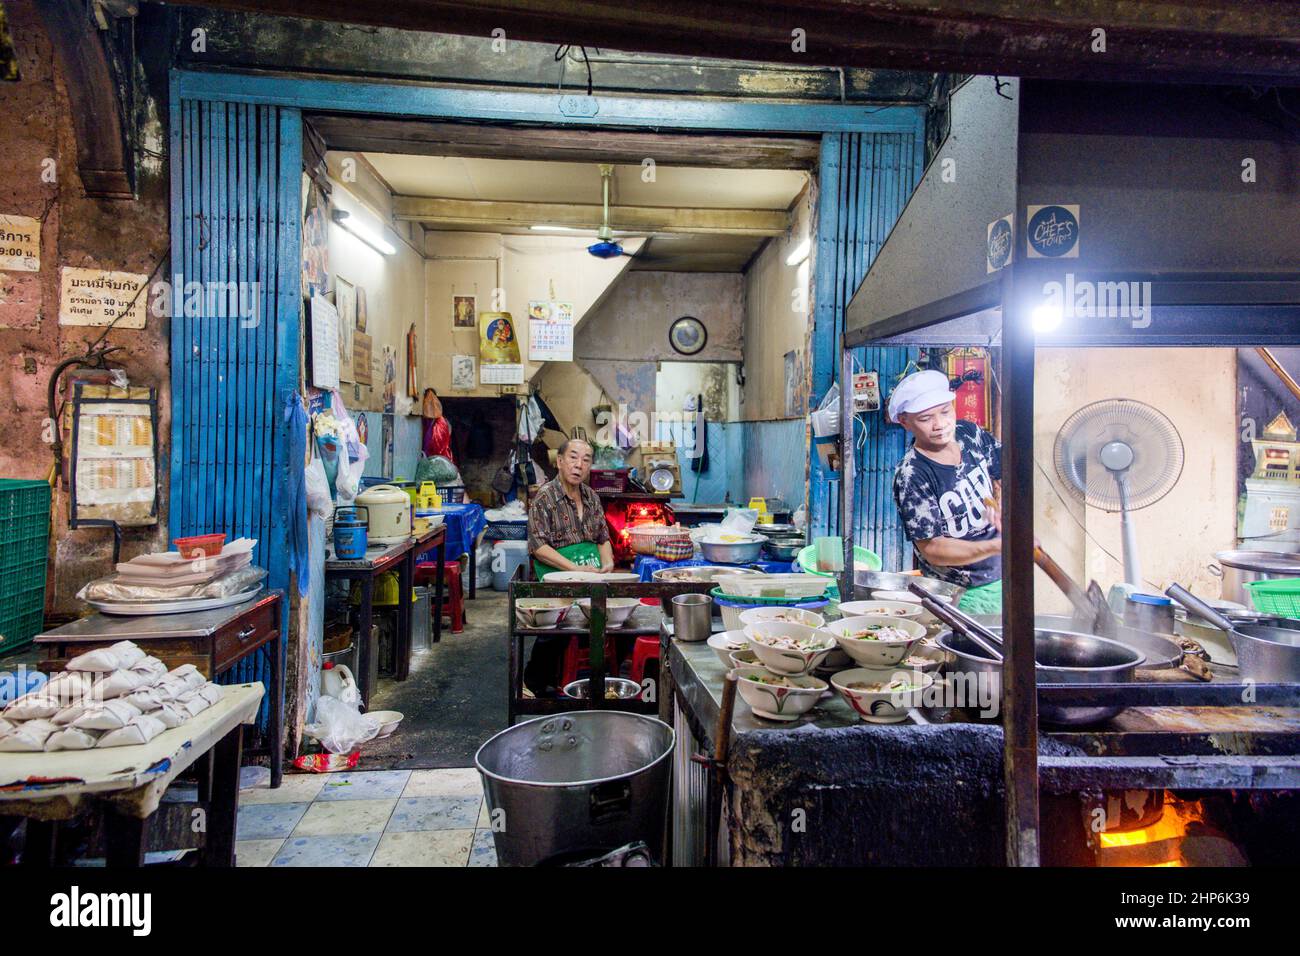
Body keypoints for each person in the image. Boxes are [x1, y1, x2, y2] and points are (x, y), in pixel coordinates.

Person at [890, 369, 1004, 614]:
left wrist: (1004, 504)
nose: (940, 425)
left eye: (945, 411)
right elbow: (933, 549)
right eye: (925, 418)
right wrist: (997, 545)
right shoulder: (912, 474)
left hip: (1003, 575)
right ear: (904, 421)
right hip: (958, 592)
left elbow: (1006, 471)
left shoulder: (969, 434)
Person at [523, 438, 615, 695]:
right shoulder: (545, 497)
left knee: (618, 617)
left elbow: (602, 538)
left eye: (586, 460)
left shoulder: (592, 497)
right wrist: (574, 569)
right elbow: (538, 547)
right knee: (557, 625)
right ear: (560, 462)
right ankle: (537, 682)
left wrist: (607, 563)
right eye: (573, 458)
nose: (579, 465)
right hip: (556, 574)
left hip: (591, 573)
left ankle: (601, 677)